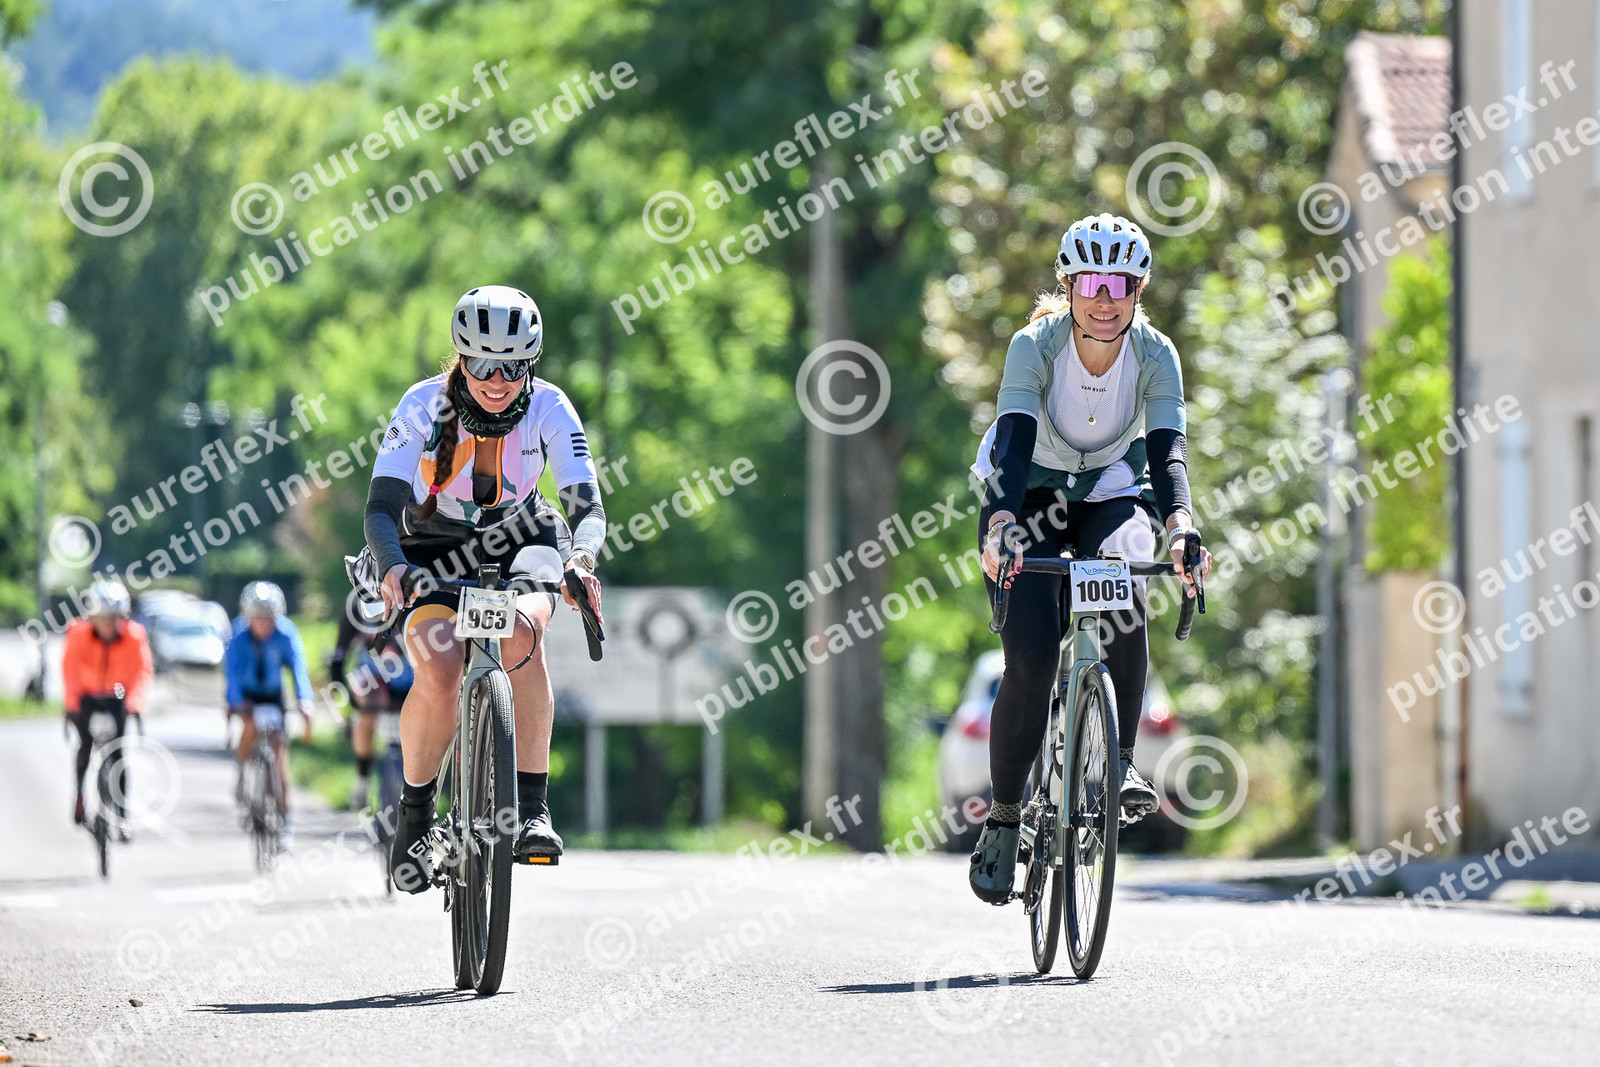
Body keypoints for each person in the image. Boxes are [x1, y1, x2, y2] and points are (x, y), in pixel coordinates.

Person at [969, 213, 1212, 905]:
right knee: (1031, 661)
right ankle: (1005, 818)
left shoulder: (1156, 354)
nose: (1104, 299)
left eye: (1119, 284)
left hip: (1109, 491)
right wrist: (1002, 524)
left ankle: (1122, 762)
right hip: (1029, 493)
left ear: (1138, 291)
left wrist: (1182, 527)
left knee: (1128, 569)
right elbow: (1014, 440)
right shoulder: (1035, 345)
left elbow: (1167, 453)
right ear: (1069, 287)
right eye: (1090, 284)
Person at [362, 284, 605, 894]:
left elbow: (586, 507)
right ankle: (416, 816)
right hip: (433, 543)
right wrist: (392, 566)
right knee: (441, 665)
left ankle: (533, 811)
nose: (498, 380)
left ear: (531, 364)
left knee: (523, 635)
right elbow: (381, 508)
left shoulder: (551, 407)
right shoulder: (421, 405)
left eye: (512, 367)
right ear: (462, 359)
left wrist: (580, 560)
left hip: (522, 535)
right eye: (483, 364)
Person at [61, 577, 153, 840]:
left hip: (117, 697)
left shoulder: (135, 636)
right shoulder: (77, 633)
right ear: (92, 616)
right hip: (87, 698)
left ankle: (122, 815)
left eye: (114, 618)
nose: (108, 624)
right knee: (85, 748)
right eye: (102, 618)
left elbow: (142, 672)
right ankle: (80, 796)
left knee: (118, 755)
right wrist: (72, 704)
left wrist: (134, 703)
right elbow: (70, 670)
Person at [224, 581, 313, 848]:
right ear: (247, 617)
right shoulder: (237, 636)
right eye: (256, 619)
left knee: (278, 752)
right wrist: (236, 702)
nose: (263, 625)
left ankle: (285, 820)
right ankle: (241, 771)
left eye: (269, 619)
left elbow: (298, 668)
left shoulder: (286, 634)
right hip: (247, 696)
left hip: (274, 696)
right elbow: (231, 674)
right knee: (249, 726)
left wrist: (304, 701)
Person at [328, 614, 414, 810]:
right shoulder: (356, 608)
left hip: (409, 680)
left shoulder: (414, 598)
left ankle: (420, 787)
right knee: (365, 713)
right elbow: (340, 653)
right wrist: (339, 685)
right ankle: (363, 779)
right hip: (373, 681)